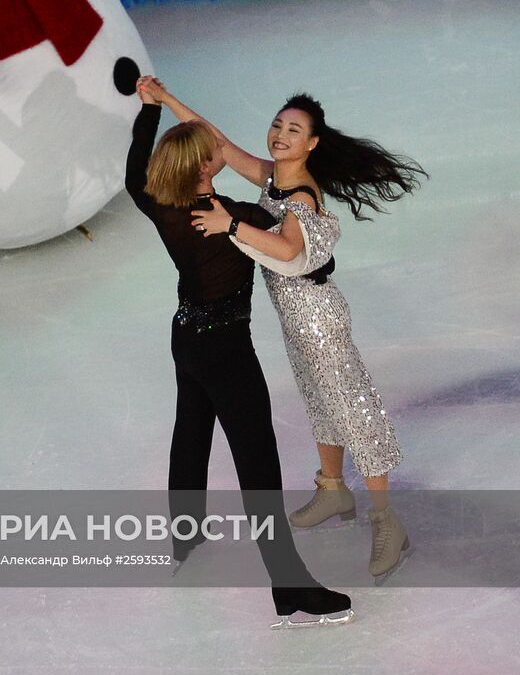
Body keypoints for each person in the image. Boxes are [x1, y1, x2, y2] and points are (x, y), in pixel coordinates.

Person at [141, 77, 427, 584]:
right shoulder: (273, 176)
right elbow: (216, 143)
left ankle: (388, 521)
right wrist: (165, 101)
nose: (279, 134)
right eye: (277, 124)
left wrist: (230, 225)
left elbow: (290, 250)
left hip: (319, 320)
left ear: (312, 143)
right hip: (293, 321)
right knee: (319, 402)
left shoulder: (301, 195)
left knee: (354, 410)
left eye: (293, 130)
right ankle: (333, 489)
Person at [126, 77, 353, 627]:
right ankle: (289, 585)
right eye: (211, 154)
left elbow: (135, 172)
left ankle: (183, 540)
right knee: (258, 465)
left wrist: (149, 111)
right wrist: (320, 243)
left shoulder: (163, 202)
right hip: (226, 350)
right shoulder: (231, 216)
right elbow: (293, 245)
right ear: (204, 168)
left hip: (187, 338)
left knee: (191, 431)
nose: (219, 153)